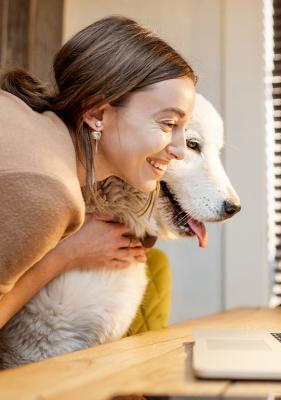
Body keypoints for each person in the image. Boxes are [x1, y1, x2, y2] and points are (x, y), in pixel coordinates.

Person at [0, 16, 196, 329]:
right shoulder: (49, 191)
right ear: (96, 113)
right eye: (168, 124)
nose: (180, 149)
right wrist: (63, 256)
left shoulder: (26, 120)